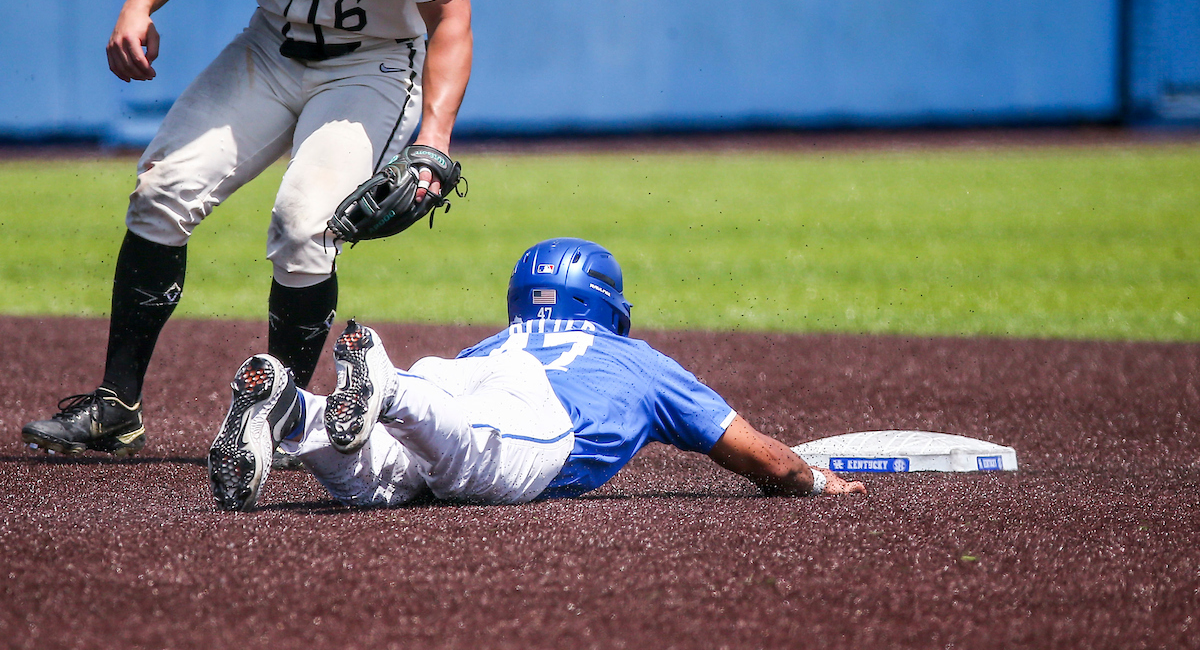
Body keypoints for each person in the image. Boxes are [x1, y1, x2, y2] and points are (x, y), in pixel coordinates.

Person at [22, 0, 474, 458]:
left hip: (374, 64)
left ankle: (275, 423)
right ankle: (116, 407)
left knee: (304, 226)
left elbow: (449, 17)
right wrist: (139, 4)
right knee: (161, 191)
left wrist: (434, 140)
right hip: (270, 48)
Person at [207, 238, 867, 511]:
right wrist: (820, 481)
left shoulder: (497, 339)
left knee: (390, 477)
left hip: (455, 378)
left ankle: (296, 414)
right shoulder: (639, 361)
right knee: (467, 464)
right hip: (539, 418)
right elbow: (769, 464)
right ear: (606, 303)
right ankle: (389, 386)